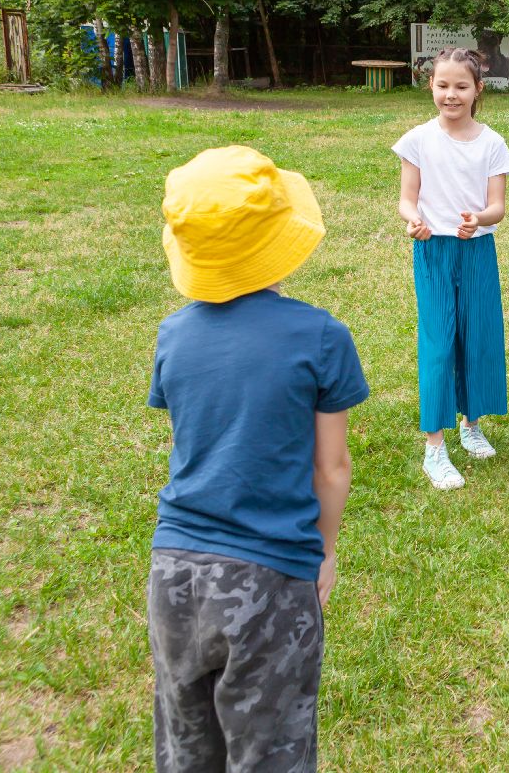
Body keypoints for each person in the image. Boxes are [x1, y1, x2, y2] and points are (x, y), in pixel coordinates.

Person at [147, 145, 368, 773]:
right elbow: (332, 468)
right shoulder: (322, 337)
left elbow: (191, 442)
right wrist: (321, 553)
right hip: (269, 578)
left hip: (173, 573)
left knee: (186, 750)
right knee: (270, 754)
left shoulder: (174, 334)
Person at [394, 47, 509, 490]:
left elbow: (497, 207)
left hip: (477, 252)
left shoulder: (492, 143)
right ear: (431, 87)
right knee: (440, 344)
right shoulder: (417, 140)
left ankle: (471, 423)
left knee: (478, 338)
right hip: (433, 252)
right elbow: (408, 197)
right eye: (443, 85)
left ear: (477, 90)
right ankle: (435, 449)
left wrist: (479, 220)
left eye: (461, 86)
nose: (451, 94)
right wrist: (413, 219)